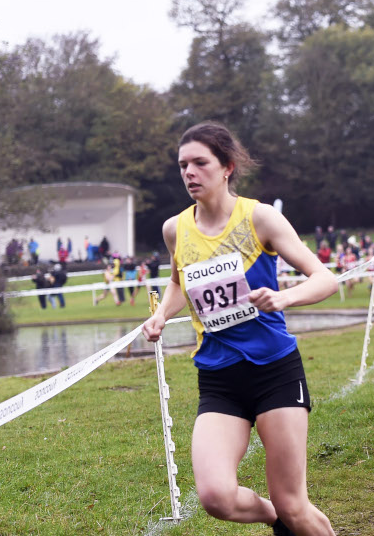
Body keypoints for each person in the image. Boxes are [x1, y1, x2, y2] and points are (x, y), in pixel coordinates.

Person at [141, 122, 338, 535]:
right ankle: (277, 518)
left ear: (227, 167)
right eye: (183, 165)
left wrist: (284, 297)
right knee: (216, 497)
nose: (189, 173)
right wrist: (162, 314)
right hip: (218, 378)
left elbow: (325, 279)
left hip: (275, 372)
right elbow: (179, 281)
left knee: (294, 503)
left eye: (200, 163)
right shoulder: (175, 229)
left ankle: (288, 515)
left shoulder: (259, 217)